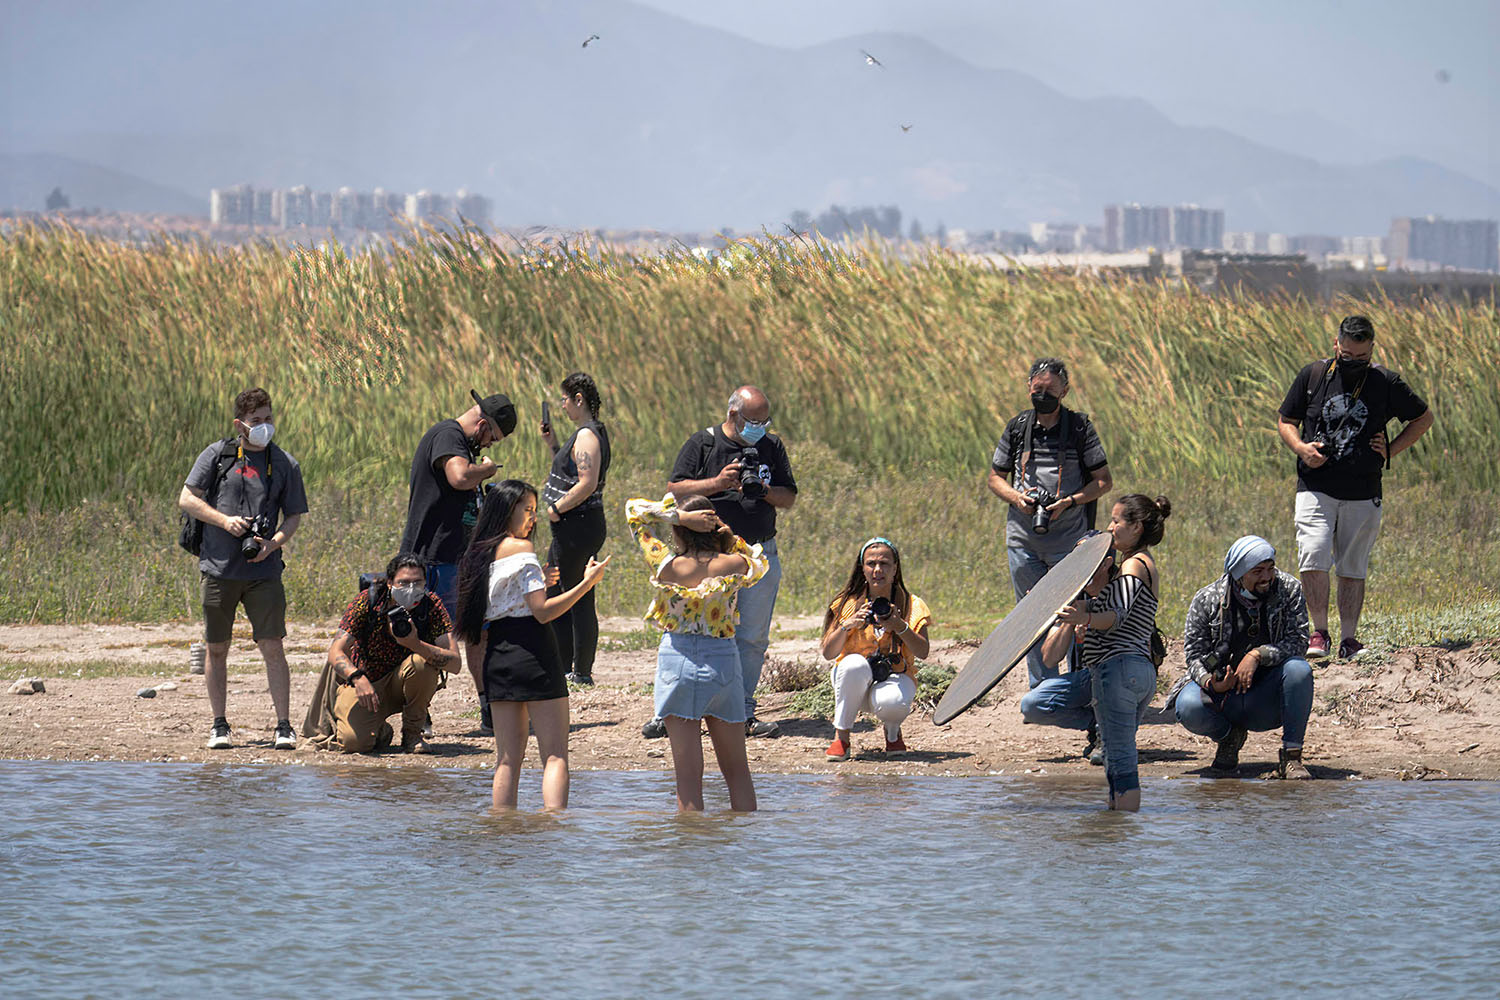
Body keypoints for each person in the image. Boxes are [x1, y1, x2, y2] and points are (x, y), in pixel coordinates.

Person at [1277, 315, 1434, 659]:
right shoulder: (1313, 375)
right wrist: (1302, 448)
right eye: (1347, 356)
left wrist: (1392, 449)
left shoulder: (1385, 381)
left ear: (1372, 351)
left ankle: (1349, 639)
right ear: (1336, 346)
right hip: (1315, 485)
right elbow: (1286, 420)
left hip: (1363, 489)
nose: (1354, 363)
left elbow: (1423, 418)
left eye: (1361, 358)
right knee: (1313, 554)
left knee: (1352, 566)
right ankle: (1319, 633)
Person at [646, 385, 796, 739]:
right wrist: (716, 483)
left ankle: (741, 712)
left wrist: (762, 491)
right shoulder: (704, 443)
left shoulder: (771, 446)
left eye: (764, 421)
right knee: (684, 630)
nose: (759, 427)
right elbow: (673, 490)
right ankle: (668, 713)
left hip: (757, 555)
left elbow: (788, 497)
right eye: (752, 420)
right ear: (733, 414)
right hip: (705, 560)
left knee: (752, 637)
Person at [456, 480, 608, 810]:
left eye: (535, 511)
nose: (533, 518)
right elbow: (542, 612)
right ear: (506, 510)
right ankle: (554, 832)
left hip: (497, 654)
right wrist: (587, 583)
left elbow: (508, 599)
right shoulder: (522, 549)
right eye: (527, 510)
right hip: (534, 651)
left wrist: (540, 577)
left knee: (507, 761)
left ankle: (502, 831)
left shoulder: (481, 551)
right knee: (555, 756)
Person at [178, 386, 308, 751]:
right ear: (240, 423)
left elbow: (295, 515)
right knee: (216, 648)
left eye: (268, 419)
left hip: (264, 572)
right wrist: (225, 521)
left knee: (273, 646)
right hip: (218, 569)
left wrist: (273, 544)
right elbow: (187, 498)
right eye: (256, 421)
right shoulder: (218, 455)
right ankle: (219, 725)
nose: (264, 426)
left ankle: (284, 726)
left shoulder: (285, 463)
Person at [626, 492, 765, 811]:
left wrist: (676, 516)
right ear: (714, 525)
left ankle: (689, 855)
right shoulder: (736, 563)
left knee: (687, 778)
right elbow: (759, 564)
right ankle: (744, 850)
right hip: (723, 664)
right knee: (738, 772)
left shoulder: (666, 564)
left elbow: (633, 511)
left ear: (679, 530)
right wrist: (729, 538)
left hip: (678, 663)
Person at [988, 357, 1112, 690]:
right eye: (1038, 389)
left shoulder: (1080, 428)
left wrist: (1069, 501)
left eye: (1051, 390)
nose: (1043, 395)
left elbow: (1103, 481)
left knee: (1069, 610)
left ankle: (1073, 684)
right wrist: (1017, 499)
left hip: (1068, 539)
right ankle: (1042, 688)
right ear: (1028, 386)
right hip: (1023, 538)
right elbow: (995, 478)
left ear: (1065, 391)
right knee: (1029, 613)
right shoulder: (1017, 427)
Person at [400, 389, 516, 733]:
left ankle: (487, 708)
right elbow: (459, 477)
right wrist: (487, 470)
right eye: (491, 437)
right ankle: (420, 712)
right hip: (431, 559)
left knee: (477, 634)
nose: (490, 446)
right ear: (482, 424)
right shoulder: (448, 435)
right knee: (427, 635)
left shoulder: (465, 445)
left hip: (463, 560)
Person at [1052, 494, 1169, 811]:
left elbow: (1116, 613)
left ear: (1137, 527)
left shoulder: (1132, 565)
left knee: (1121, 764)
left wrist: (1084, 619)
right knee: (1119, 758)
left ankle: (1121, 841)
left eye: (1117, 521)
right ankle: (1117, 835)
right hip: (1139, 671)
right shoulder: (1142, 564)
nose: (1110, 527)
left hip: (1118, 669)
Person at [1170, 536, 1314, 779]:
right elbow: (1194, 655)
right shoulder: (1207, 599)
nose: (1267, 577)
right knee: (1188, 706)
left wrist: (1257, 655)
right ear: (1239, 574)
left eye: (1270, 569)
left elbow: (1299, 641)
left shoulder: (1289, 588)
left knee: (1300, 670)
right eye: (1258, 571)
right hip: (1224, 694)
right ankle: (1229, 738)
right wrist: (1210, 682)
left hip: (1268, 694)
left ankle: (1292, 757)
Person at [309, 555, 460, 754]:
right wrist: (357, 678)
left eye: (418, 582)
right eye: (403, 583)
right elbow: (336, 650)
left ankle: (413, 733)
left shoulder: (431, 605)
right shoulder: (368, 601)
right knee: (353, 744)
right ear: (390, 583)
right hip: (367, 686)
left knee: (422, 663)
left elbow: (455, 663)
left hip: (406, 682)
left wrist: (415, 644)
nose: (411, 589)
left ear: (426, 582)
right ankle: (380, 731)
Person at [819, 538, 932, 761]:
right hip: (852, 683)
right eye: (871, 564)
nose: (877, 570)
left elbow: (923, 651)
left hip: (894, 679)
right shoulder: (847, 604)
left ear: (895, 568)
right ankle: (841, 737)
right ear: (862, 569)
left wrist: (900, 626)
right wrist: (847, 625)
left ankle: (892, 733)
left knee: (892, 702)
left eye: (884, 564)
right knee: (853, 664)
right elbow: (828, 653)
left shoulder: (911, 604)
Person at [540, 372, 612, 686]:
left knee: (575, 595)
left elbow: (587, 482)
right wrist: (553, 443)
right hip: (579, 526)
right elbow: (571, 469)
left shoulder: (587, 435)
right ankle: (568, 665)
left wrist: (557, 508)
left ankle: (578, 670)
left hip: (577, 526)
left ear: (579, 399)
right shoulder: (584, 434)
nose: (563, 406)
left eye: (566, 400)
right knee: (559, 590)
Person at [1020, 533, 1115, 766]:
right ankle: (1097, 724)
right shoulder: (1073, 594)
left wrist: (1092, 623)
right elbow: (1051, 658)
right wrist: (1070, 621)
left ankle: (1112, 731)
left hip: (1122, 676)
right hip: (1088, 678)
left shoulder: (1123, 588)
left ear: (1106, 563)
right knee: (1032, 705)